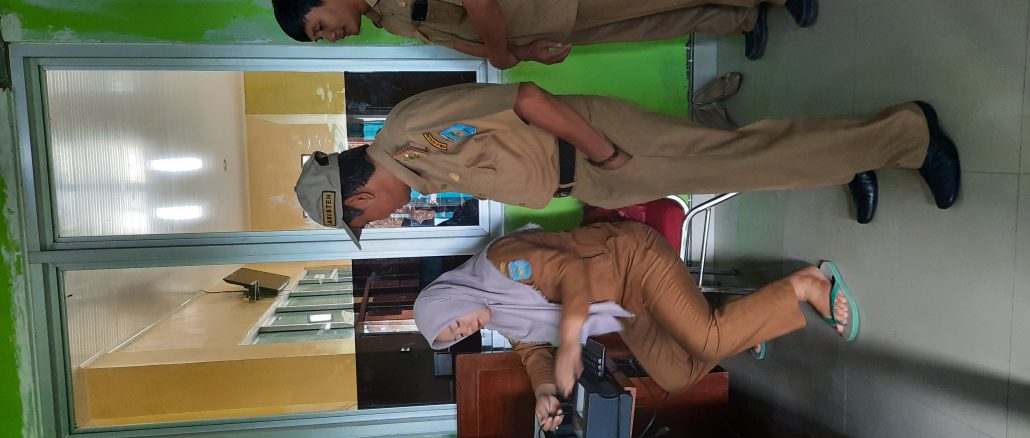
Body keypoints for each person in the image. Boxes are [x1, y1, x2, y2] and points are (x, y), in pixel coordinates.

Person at [293, 82, 960, 246]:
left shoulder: (408, 134)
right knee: (744, 164)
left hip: (597, 148)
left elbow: (526, 100)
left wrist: (604, 151)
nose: (378, 223)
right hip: (593, 172)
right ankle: (848, 161)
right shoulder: (419, 170)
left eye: (364, 222)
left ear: (357, 198)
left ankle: (910, 136)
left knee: (745, 160)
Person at [412, 221, 860, 432]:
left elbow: (571, 272)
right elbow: (531, 351)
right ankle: (745, 319)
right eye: (459, 335)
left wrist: (570, 346)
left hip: (634, 261)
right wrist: (545, 391)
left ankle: (804, 284)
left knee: (708, 340)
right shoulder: (499, 312)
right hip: (623, 306)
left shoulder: (501, 264)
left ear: (453, 297)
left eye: (455, 322)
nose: (466, 329)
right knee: (676, 375)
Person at [272, 0, 819, 65]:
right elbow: (451, 38)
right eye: (321, 39)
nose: (331, 37)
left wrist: (500, 54)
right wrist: (520, 53)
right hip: (541, 22)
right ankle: (742, 16)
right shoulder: (384, 17)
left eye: (320, 27)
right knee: (645, 23)